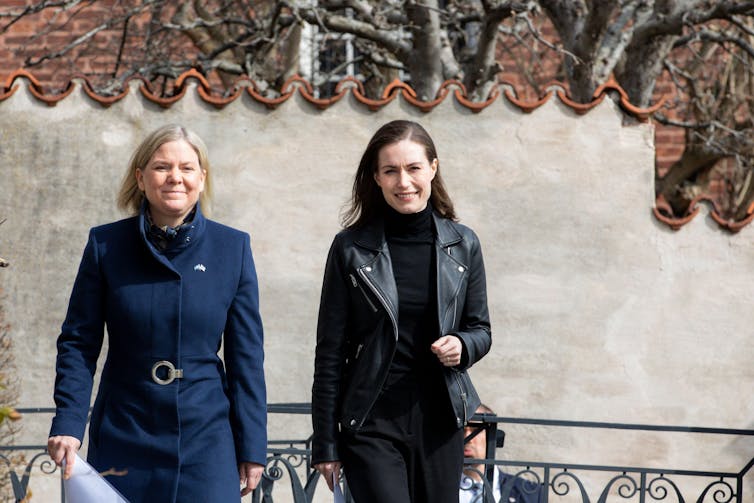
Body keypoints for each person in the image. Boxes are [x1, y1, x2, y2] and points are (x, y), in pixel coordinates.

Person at [47, 124, 267, 502]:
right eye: (162, 167)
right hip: (124, 430)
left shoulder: (233, 248)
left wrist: (252, 446)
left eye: (186, 167)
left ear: (202, 177)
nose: (174, 177)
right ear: (141, 177)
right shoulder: (106, 245)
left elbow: (246, 358)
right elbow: (78, 341)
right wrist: (68, 421)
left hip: (206, 438)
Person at [312, 119, 492, 503]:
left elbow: (481, 329)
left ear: (433, 168)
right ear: (376, 177)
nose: (403, 181)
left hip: (440, 420)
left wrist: (463, 344)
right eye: (390, 171)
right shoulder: (351, 249)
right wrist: (326, 443)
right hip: (371, 421)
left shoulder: (464, 245)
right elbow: (329, 353)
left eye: (413, 168)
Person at [460, 404, 542, 503]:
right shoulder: (439, 489)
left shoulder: (529, 493)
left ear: (493, 435)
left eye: (476, 430)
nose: (467, 438)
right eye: (462, 431)